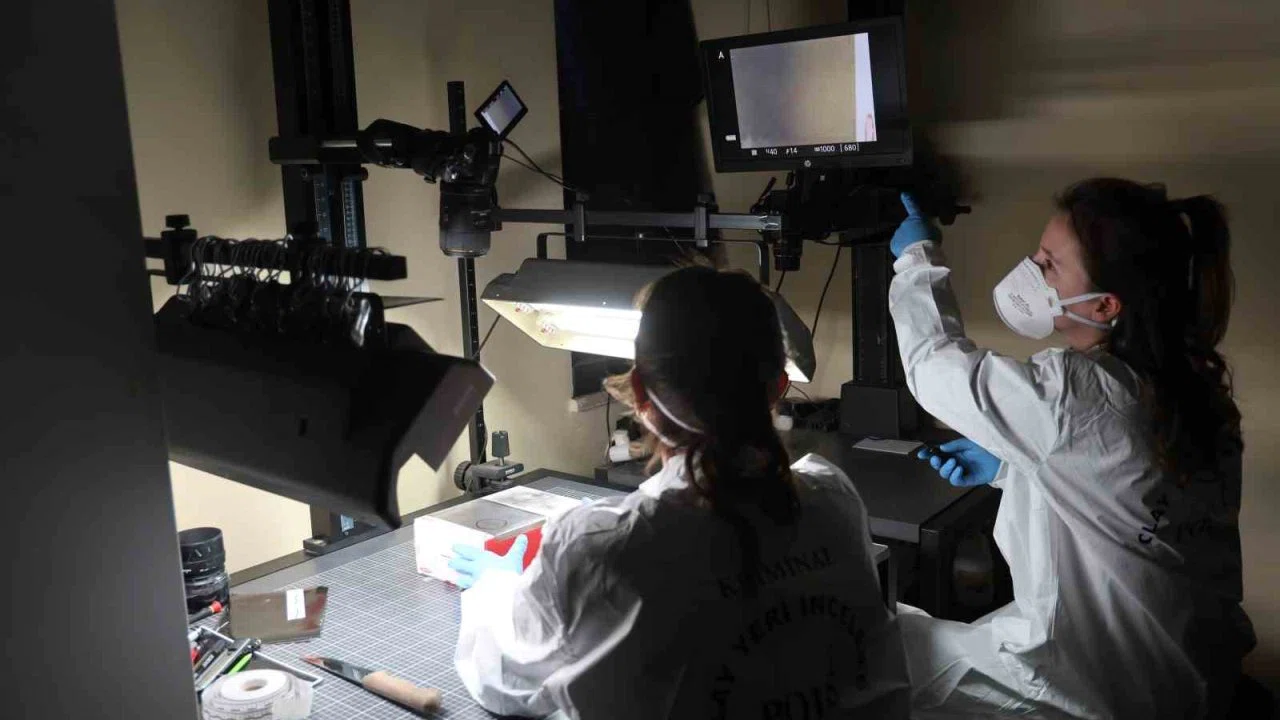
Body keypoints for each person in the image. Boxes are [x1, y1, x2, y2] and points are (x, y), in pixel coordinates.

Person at [451, 266, 911, 719]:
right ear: (778, 387)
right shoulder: (832, 498)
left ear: (639, 393)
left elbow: (502, 682)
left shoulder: (602, 549)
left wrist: (494, 586)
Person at [886, 181, 1254, 719]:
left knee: (878, 644)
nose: (1031, 272)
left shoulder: (1076, 392)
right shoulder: (1191, 390)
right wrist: (1013, 469)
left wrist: (917, 260)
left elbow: (934, 369)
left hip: (1087, 693)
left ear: (1105, 305)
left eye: (1049, 265)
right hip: (1188, 675)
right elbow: (1128, 495)